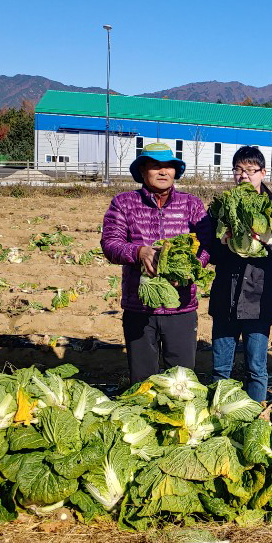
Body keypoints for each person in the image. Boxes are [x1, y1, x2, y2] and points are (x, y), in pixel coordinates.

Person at [101, 142, 211, 384]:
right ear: (142, 171)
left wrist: (189, 270)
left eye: (169, 167)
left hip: (181, 306)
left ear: (176, 171)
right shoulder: (124, 203)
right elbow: (110, 244)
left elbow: (206, 247)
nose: (163, 172)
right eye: (155, 166)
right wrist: (139, 252)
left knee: (182, 382)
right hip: (139, 306)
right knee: (142, 380)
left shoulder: (191, 204)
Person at [206, 146, 272, 402]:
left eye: (250, 170)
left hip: (259, 300)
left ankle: (254, 414)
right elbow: (210, 253)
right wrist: (222, 242)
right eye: (238, 170)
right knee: (220, 369)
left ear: (263, 173)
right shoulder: (220, 209)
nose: (244, 175)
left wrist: (269, 241)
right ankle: (220, 411)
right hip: (225, 298)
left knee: (256, 369)